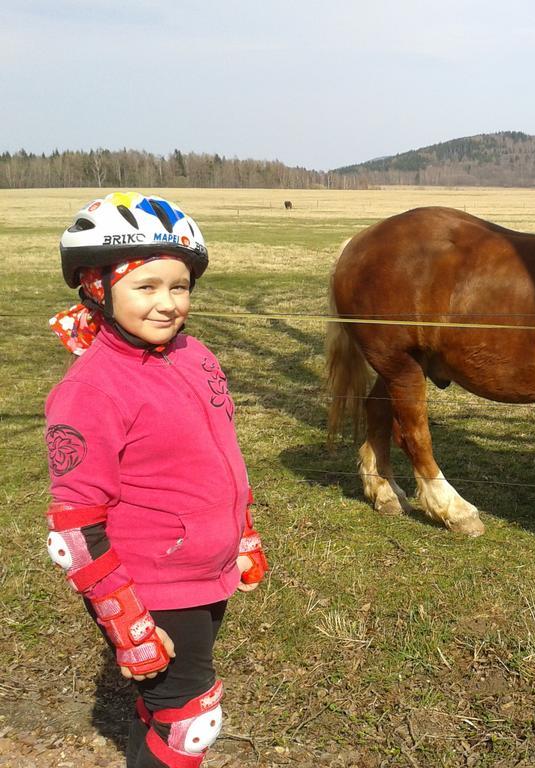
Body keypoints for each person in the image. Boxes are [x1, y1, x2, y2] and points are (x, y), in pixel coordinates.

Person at [44, 192, 269, 768]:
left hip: (203, 567)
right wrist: (126, 619)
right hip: (151, 584)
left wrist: (241, 532)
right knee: (191, 721)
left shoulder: (196, 355)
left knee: (166, 706)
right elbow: (74, 527)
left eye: (180, 286)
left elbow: (220, 454)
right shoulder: (89, 390)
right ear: (97, 287)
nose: (168, 303)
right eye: (146, 287)